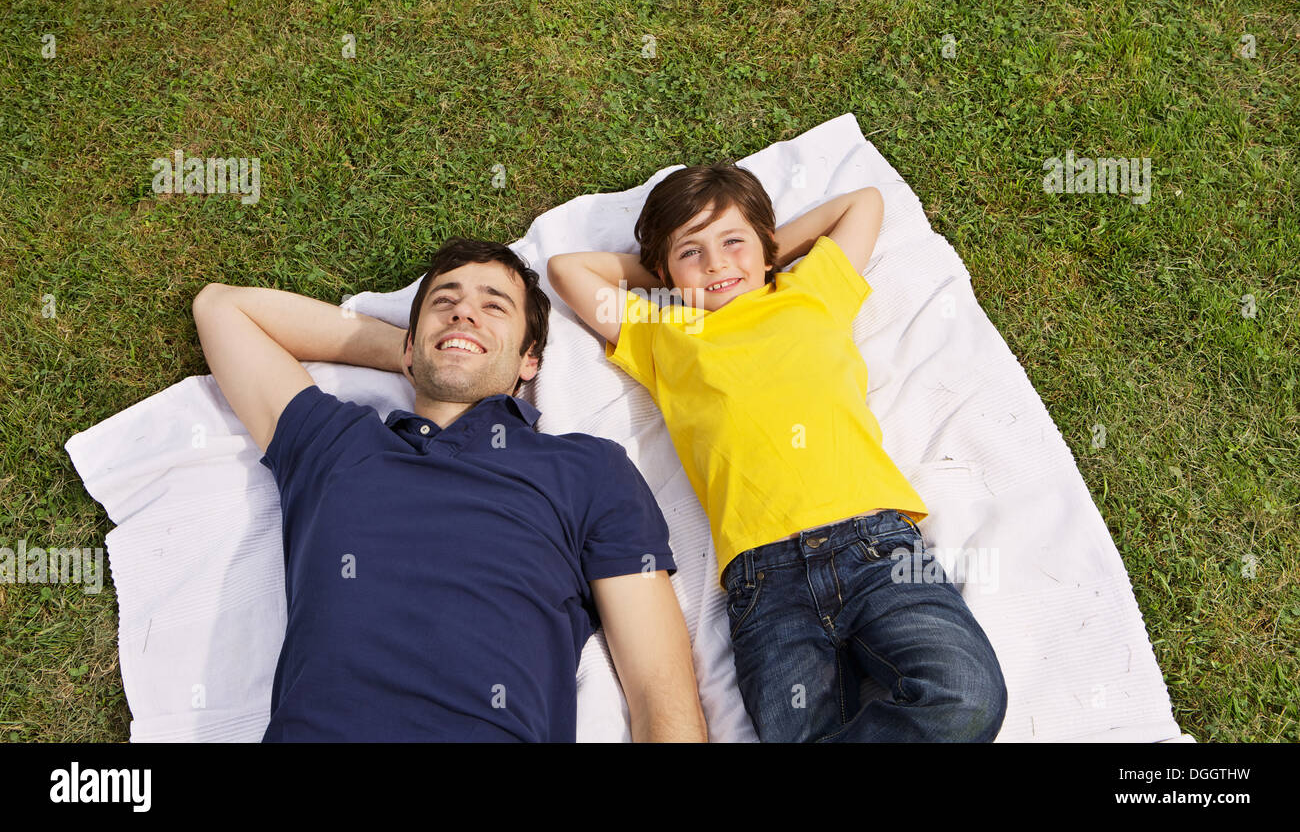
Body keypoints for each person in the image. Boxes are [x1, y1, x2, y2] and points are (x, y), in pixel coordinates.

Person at [548, 162, 1007, 742]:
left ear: (767, 249)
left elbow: (862, 202)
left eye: (731, 242)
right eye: (693, 253)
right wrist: (668, 272)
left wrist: (762, 251)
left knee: (964, 696)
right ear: (665, 273)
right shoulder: (662, 335)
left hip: (877, 546)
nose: (715, 262)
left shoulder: (810, 292)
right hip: (764, 584)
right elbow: (568, 270)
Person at [193, 237, 707, 742]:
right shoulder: (335, 443)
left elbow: (659, 690)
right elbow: (222, 308)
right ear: (409, 347)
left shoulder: (587, 468)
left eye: (493, 306)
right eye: (445, 302)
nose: (464, 314)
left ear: (531, 360)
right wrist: (414, 352)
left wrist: (442, 344)